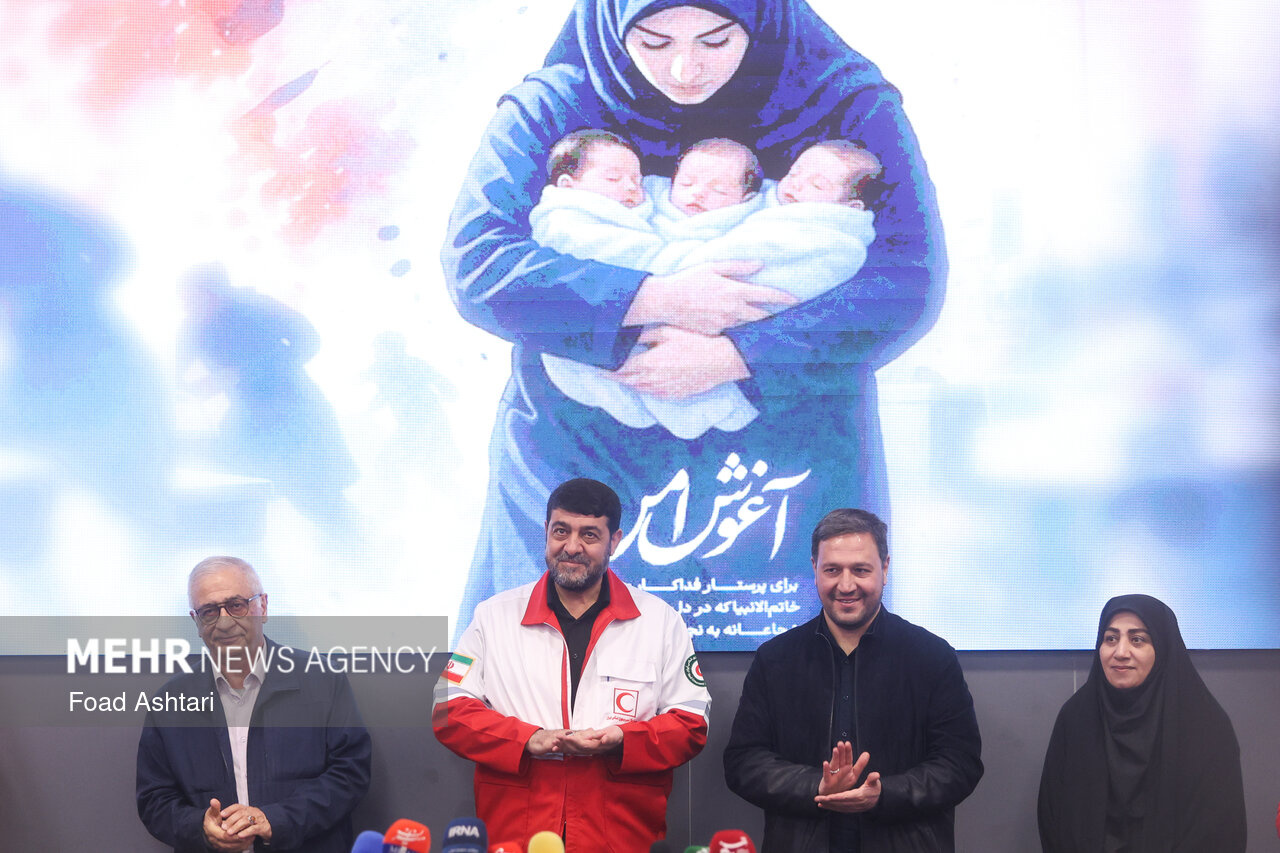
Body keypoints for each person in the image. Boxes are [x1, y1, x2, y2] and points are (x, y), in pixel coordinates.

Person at [443, 0, 947, 646]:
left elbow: (907, 279)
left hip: (778, 468)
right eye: (654, 43)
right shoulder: (553, 107)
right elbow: (478, 262)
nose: (684, 70)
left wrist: (740, 355)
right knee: (551, 680)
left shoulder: (843, 104)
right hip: (579, 454)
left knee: (790, 688)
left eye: (714, 40)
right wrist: (658, 298)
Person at [433, 478, 712, 850]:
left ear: (615, 541)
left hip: (619, 835)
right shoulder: (493, 616)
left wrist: (623, 741)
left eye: (589, 535)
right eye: (561, 531)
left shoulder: (660, 622)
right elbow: (449, 710)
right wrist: (526, 739)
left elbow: (691, 722)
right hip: (517, 834)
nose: (572, 547)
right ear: (546, 531)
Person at [722, 508, 982, 852]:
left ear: (885, 569)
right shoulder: (775, 659)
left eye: (860, 570)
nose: (846, 586)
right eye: (832, 570)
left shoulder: (932, 657)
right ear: (815, 569)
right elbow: (744, 762)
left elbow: (959, 764)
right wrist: (816, 787)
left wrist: (884, 795)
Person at [136, 556, 371, 853]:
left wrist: (277, 820)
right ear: (196, 621)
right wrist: (200, 828)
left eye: (236, 605)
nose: (224, 622)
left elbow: (350, 774)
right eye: (209, 611)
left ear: (263, 607)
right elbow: (154, 799)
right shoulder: (170, 701)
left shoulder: (323, 680)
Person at [1036, 594, 1247, 853]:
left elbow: (1220, 830)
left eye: (1137, 640)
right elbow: (1053, 817)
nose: (1120, 652)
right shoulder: (1076, 719)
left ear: (1162, 648)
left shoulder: (1205, 726)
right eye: (1110, 638)